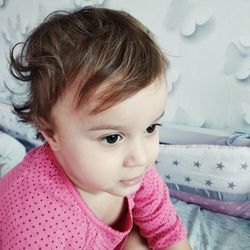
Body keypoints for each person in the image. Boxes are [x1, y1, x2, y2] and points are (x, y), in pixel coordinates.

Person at [0, 6, 192, 250]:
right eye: (112, 138)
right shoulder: (36, 223)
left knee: (138, 241)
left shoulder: (132, 170)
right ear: (51, 134)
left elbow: (167, 230)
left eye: (150, 127)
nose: (142, 157)